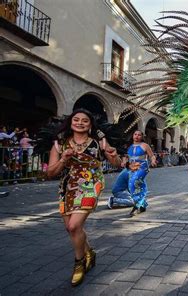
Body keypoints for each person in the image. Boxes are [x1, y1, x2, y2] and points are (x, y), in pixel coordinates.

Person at [46, 109, 121, 286]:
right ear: (71, 122)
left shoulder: (98, 142)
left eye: (85, 121)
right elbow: (50, 173)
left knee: (74, 225)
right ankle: (90, 253)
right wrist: (63, 159)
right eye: (76, 119)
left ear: (90, 125)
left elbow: (116, 164)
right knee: (71, 229)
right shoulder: (59, 144)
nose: (80, 123)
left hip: (90, 185)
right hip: (67, 188)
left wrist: (113, 155)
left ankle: (79, 265)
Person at [127, 130, 157, 217]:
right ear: (133, 135)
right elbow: (127, 157)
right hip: (132, 168)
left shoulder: (145, 145)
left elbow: (152, 155)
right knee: (137, 185)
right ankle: (143, 205)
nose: (137, 136)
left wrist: (153, 161)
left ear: (142, 137)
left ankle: (136, 205)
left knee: (133, 183)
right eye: (135, 134)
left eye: (139, 135)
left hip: (142, 167)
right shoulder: (130, 146)